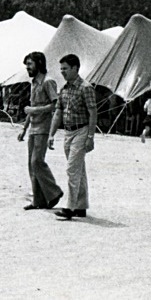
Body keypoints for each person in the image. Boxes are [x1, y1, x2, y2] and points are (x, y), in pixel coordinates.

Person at [49, 54, 97, 220]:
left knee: (72, 169)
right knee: (79, 169)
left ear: (76, 68)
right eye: (61, 69)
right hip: (68, 132)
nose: (62, 72)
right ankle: (81, 206)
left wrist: (90, 136)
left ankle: (70, 207)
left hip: (81, 131)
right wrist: (52, 134)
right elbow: (58, 112)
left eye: (65, 69)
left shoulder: (86, 88)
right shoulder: (65, 89)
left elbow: (92, 113)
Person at [17, 52, 63, 211]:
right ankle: (38, 200)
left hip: (43, 129)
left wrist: (33, 110)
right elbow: (31, 109)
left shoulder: (48, 82)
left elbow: (55, 105)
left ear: (39, 63)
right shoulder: (34, 83)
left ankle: (54, 192)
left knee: (37, 161)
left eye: (29, 64)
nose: (27, 68)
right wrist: (24, 129)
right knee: (32, 164)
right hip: (33, 129)